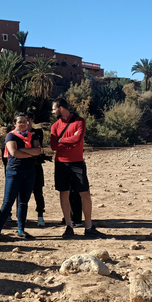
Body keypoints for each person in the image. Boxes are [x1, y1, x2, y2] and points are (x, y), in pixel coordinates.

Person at [50, 97, 104, 238]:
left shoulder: (80, 121)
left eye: (54, 108)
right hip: (61, 163)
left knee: (85, 194)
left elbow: (78, 139)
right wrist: (67, 141)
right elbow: (53, 146)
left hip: (77, 163)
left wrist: (62, 140)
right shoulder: (55, 126)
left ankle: (89, 227)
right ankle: (69, 226)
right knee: (64, 193)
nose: (52, 111)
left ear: (61, 108)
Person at [0, 113, 42, 241]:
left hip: (29, 173)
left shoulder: (33, 136)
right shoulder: (11, 135)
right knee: (8, 202)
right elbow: (14, 153)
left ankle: (21, 229)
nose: (22, 124)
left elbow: (39, 151)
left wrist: (24, 151)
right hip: (14, 172)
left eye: (24, 122)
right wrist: (31, 153)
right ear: (15, 124)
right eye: (20, 122)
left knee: (23, 202)